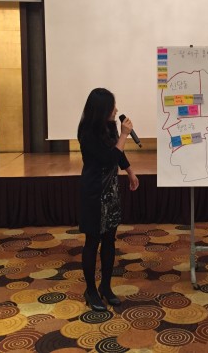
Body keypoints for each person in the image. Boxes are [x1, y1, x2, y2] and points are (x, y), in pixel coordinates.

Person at [77, 88, 139, 312]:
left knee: (110, 240)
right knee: (92, 242)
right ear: (101, 109)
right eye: (112, 106)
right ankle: (91, 290)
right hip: (94, 194)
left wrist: (130, 172)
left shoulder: (109, 126)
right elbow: (107, 158)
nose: (116, 109)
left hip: (110, 192)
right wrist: (124, 136)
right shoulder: (87, 132)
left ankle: (106, 286)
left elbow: (118, 154)